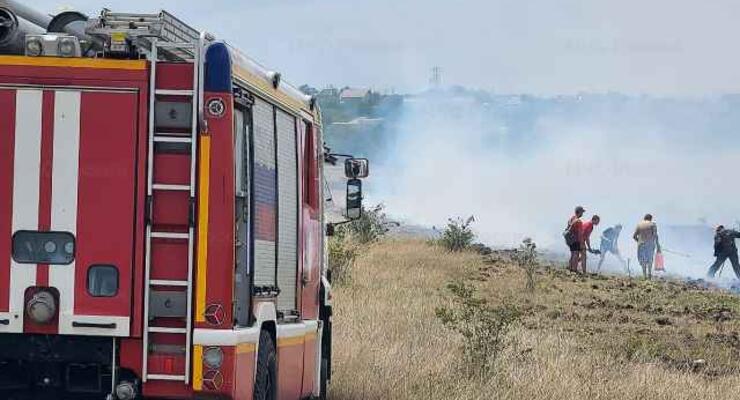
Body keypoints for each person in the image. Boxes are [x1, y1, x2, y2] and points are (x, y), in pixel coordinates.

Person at [633, 214, 661, 280]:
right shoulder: (653, 224)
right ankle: (649, 275)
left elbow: (634, 236)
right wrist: (658, 246)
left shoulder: (639, 225)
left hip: (641, 244)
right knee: (650, 260)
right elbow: (655, 236)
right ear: (650, 219)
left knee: (642, 260)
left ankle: (644, 275)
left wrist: (639, 242)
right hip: (650, 245)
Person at [564, 206, 585, 272]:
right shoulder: (579, 221)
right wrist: (581, 243)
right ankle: (574, 269)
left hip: (570, 239)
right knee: (576, 254)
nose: (582, 214)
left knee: (572, 254)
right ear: (579, 212)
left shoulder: (571, 219)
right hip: (575, 240)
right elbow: (580, 234)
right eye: (582, 212)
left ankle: (570, 268)